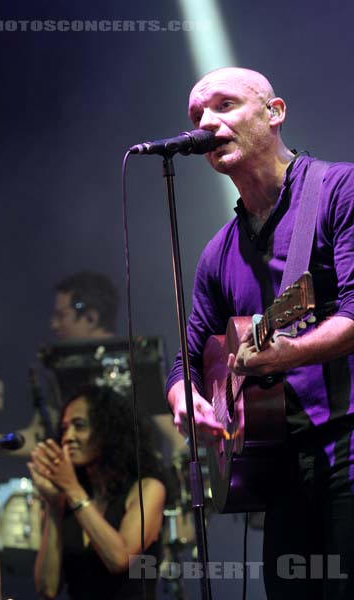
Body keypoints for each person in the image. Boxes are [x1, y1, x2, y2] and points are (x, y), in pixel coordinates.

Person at [166, 67, 354, 599]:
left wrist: (290, 353)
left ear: (275, 113)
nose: (205, 122)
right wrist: (188, 400)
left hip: (348, 447)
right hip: (279, 467)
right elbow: (185, 359)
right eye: (196, 115)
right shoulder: (217, 253)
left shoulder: (339, 190)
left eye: (224, 105)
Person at [28, 386, 166, 600]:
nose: (68, 437)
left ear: (107, 430)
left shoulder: (147, 489)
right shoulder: (68, 500)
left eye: (79, 426)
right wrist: (53, 506)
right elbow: (47, 589)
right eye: (64, 429)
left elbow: (119, 559)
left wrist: (72, 490)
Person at [18, 270, 119, 455]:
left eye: (61, 316)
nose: (54, 325)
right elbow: (38, 436)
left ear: (91, 318)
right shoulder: (61, 371)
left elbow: (171, 429)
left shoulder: (141, 361)